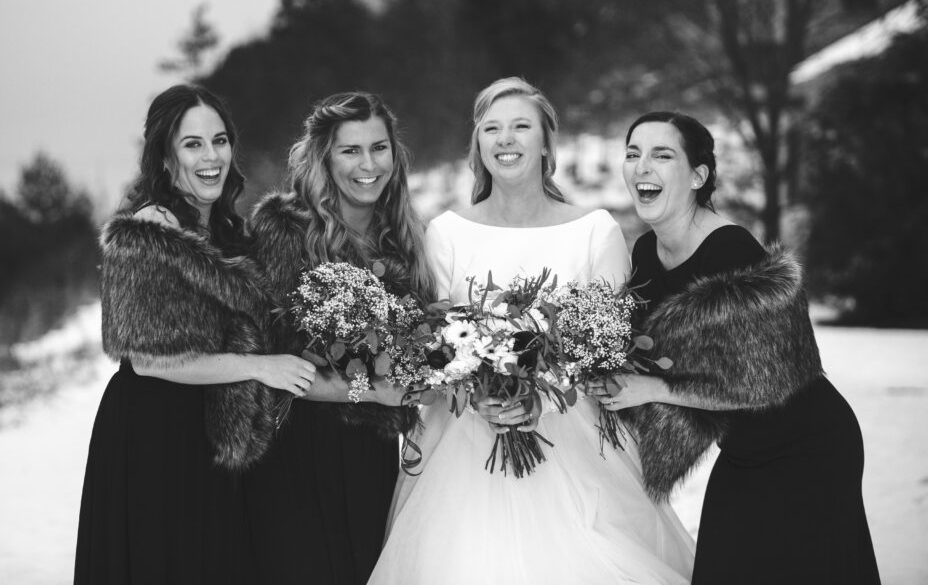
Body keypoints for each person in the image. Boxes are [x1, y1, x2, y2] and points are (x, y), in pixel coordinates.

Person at [369, 78, 695, 585]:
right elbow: (433, 346)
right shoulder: (448, 234)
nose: (506, 139)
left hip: (575, 444)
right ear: (477, 146)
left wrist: (542, 398)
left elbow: (607, 350)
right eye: (491, 129)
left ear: (546, 143)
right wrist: (478, 395)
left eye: (521, 126)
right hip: (463, 445)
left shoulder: (595, 232)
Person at [605, 110, 879, 584]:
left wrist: (650, 388)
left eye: (661, 155)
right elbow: (644, 349)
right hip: (744, 451)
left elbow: (760, 385)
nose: (642, 166)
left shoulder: (731, 252)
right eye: (633, 154)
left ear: (697, 176)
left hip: (811, 445)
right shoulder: (646, 253)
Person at [74, 84, 316, 584]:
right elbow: (150, 360)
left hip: (216, 438)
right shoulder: (147, 233)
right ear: (165, 158)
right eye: (193, 144)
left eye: (220, 140)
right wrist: (259, 367)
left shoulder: (230, 233)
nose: (212, 156)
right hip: (155, 436)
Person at [244, 91, 435, 585]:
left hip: (371, 453)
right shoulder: (285, 231)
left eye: (379, 148)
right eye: (350, 150)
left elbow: (415, 355)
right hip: (296, 449)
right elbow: (275, 366)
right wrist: (372, 389)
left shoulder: (406, 240)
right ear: (324, 157)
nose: (368, 164)